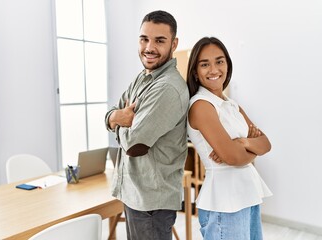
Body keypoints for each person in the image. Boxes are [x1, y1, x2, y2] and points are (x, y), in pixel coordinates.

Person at [104, 10, 189, 240]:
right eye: (144, 39)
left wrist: (116, 122)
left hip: (151, 205)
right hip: (136, 195)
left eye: (160, 40)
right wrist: (116, 118)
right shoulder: (143, 78)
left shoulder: (167, 88)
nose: (149, 47)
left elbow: (134, 145)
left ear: (174, 44)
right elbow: (113, 113)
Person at [186, 36, 272, 240]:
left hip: (247, 195)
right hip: (224, 201)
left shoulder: (231, 104)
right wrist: (250, 149)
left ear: (227, 64)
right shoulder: (201, 106)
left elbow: (266, 143)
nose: (214, 69)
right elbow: (233, 158)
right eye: (204, 64)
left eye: (219, 61)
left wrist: (243, 143)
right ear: (195, 73)